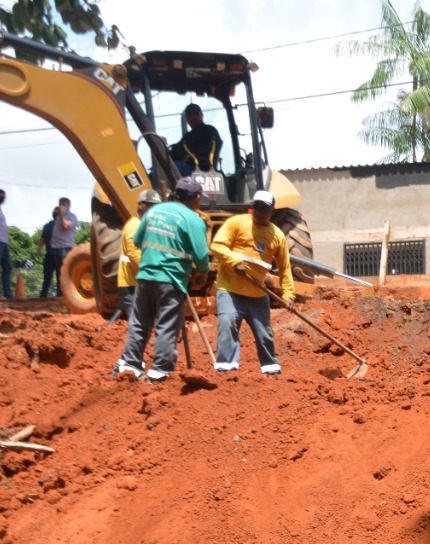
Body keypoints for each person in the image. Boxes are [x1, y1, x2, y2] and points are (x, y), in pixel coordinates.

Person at [113, 177, 210, 382]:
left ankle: (130, 365)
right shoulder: (193, 220)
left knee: (139, 322)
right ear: (198, 198)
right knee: (167, 325)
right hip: (171, 279)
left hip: (145, 276)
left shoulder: (153, 212)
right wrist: (201, 274)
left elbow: (138, 240)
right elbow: (202, 257)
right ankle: (160, 372)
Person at [209, 190, 295, 374]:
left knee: (265, 334)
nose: (258, 211)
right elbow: (216, 245)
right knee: (228, 322)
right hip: (230, 289)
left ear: (272, 211)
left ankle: (271, 370)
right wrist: (234, 262)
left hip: (257, 293)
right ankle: (226, 370)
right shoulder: (236, 223)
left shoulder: (277, 235)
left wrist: (288, 295)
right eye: (255, 207)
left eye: (263, 208)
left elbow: (285, 268)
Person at [114, 190, 162, 321]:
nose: (154, 209)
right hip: (131, 283)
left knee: (141, 324)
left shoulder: (144, 225)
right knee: (138, 325)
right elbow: (134, 254)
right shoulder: (135, 225)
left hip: (137, 283)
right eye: (150, 205)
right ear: (141, 205)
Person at [169, 103, 224, 176]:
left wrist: (194, 154)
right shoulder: (188, 137)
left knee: (173, 169)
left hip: (201, 168)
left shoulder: (210, 130)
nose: (193, 117)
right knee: (165, 167)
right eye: (189, 115)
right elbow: (177, 150)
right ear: (186, 118)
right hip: (190, 166)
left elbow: (216, 144)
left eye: (195, 114)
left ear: (201, 115)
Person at [47, 198, 79, 297]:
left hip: (65, 248)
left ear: (69, 206)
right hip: (56, 248)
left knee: (66, 272)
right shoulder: (58, 218)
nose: (62, 207)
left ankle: (69, 294)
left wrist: (61, 215)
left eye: (64, 205)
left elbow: (65, 227)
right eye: (61, 205)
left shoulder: (72, 217)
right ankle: (60, 294)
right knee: (59, 273)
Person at [36, 207, 59, 298]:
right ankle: (43, 296)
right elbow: (42, 239)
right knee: (47, 277)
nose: (56, 213)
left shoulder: (63, 225)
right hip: (49, 256)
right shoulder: (47, 226)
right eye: (55, 211)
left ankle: (60, 295)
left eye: (58, 211)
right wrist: (39, 250)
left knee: (60, 277)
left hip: (59, 255)